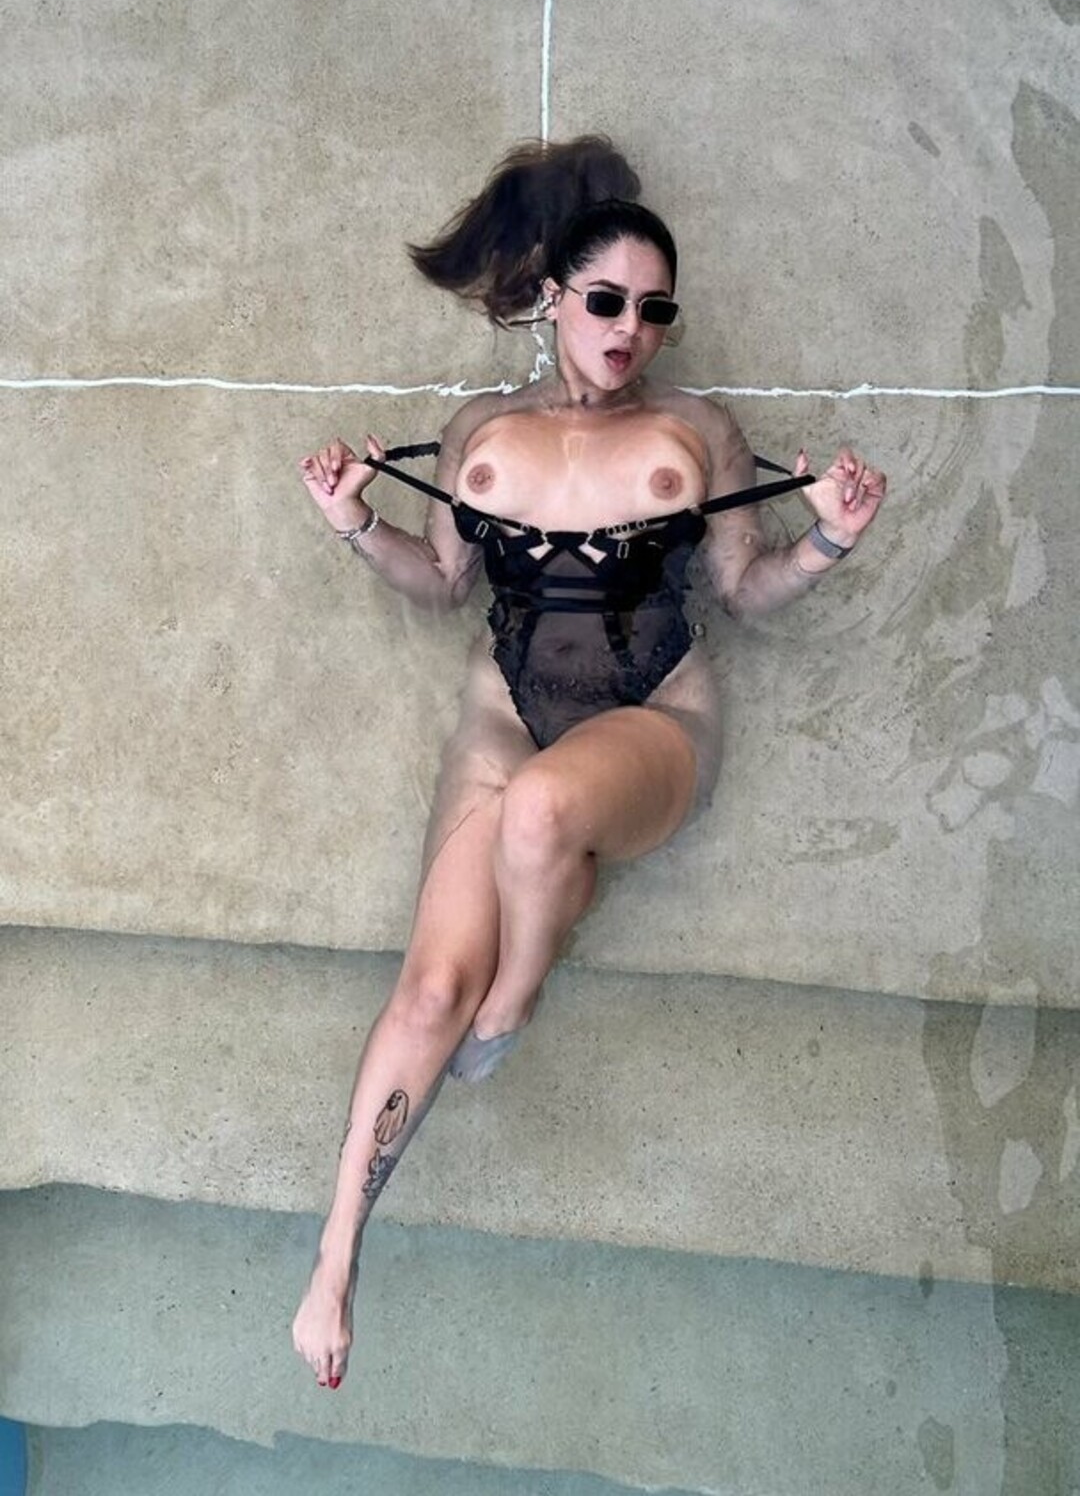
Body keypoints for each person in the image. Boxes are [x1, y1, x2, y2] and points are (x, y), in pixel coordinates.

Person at [291, 135, 886, 1389]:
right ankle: (336, 1253)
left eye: (655, 311)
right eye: (608, 301)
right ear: (556, 296)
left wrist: (827, 541)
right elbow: (441, 581)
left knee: (542, 813)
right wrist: (354, 523)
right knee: (425, 989)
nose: (630, 331)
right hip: (505, 707)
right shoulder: (479, 428)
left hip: (655, 715)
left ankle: (517, 992)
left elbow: (749, 591)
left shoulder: (699, 429)